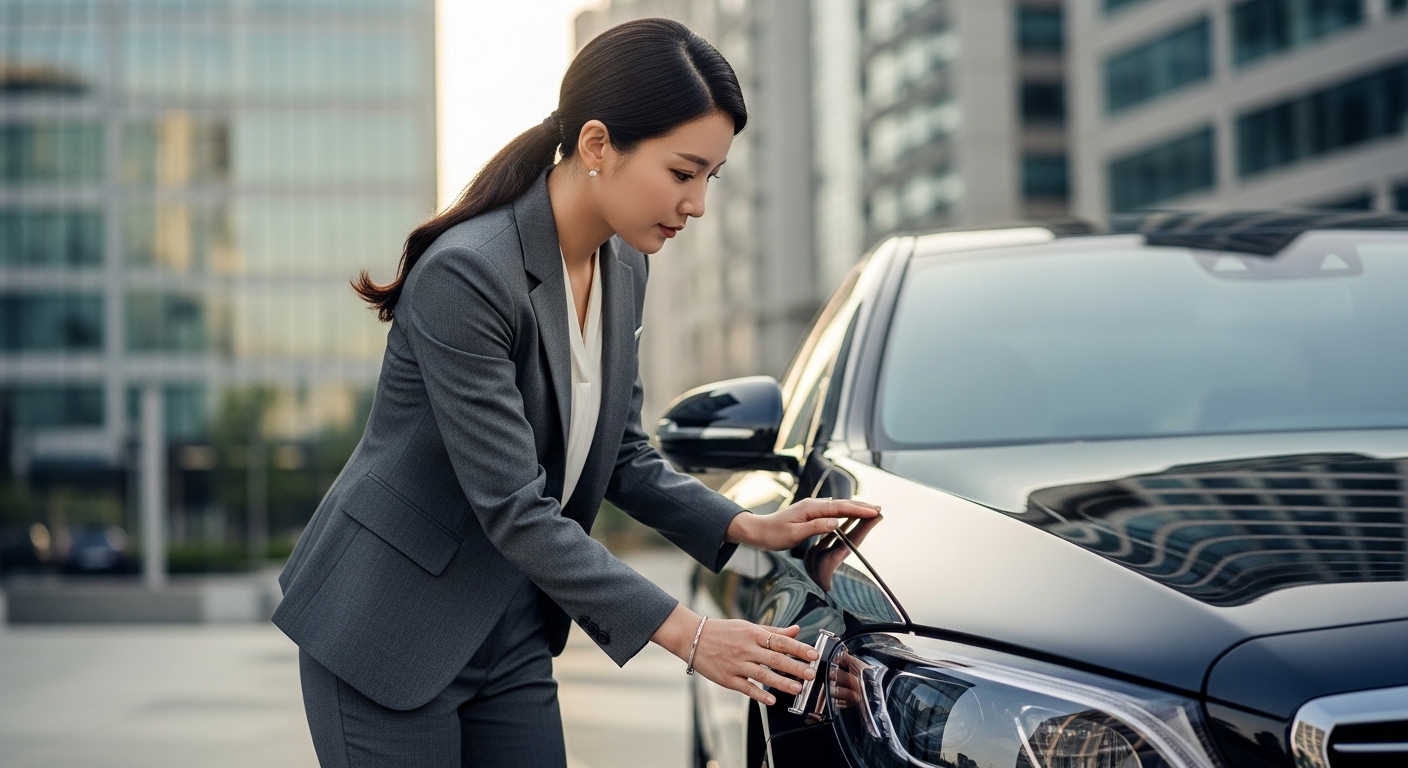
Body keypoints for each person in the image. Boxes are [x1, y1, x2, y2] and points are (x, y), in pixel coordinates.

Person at [272, 17, 878, 768]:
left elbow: (619, 451)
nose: (697, 204)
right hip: (388, 629)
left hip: (511, 628)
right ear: (598, 146)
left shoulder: (625, 265)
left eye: (710, 179)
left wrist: (747, 526)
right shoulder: (469, 275)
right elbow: (514, 506)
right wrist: (693, 636)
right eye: (682, 173)